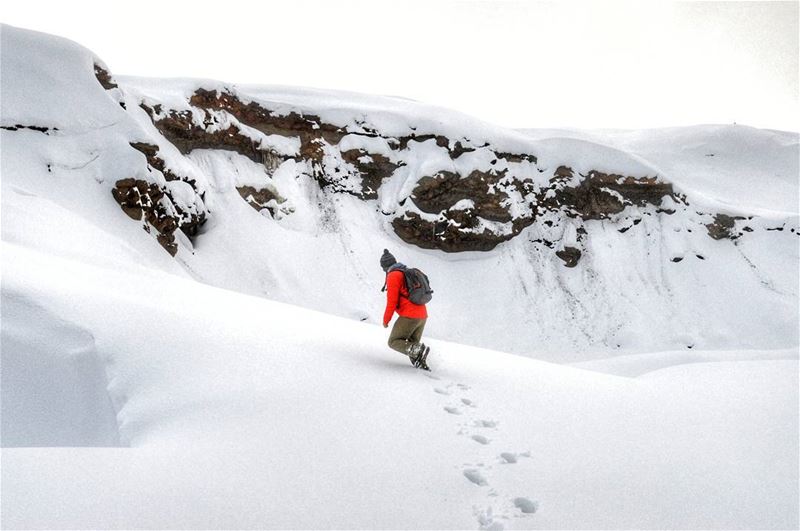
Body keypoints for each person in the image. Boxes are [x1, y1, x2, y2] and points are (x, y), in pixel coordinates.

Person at [380, 249, 429, 368]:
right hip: (422, 315)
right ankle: (423, 368)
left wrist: (386, 320)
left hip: (410, 316)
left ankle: (418, 350)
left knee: (394, 341)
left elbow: (391, 302)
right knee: (413, 349)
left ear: (385, 267)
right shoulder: (407, 271)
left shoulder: (393, 275)